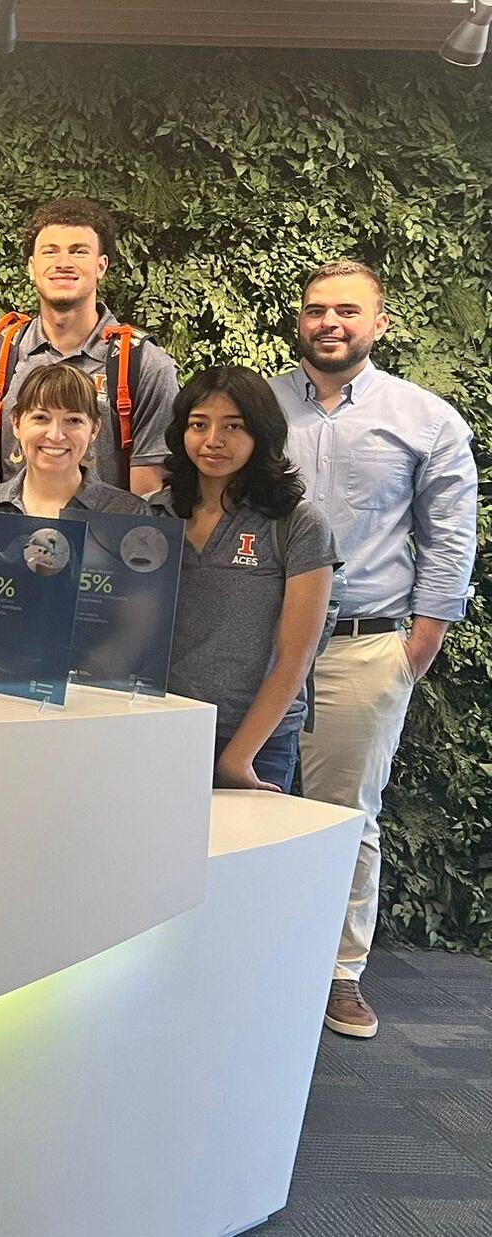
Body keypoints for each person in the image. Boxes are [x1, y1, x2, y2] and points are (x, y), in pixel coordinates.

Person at [269, 261, 477, 1040]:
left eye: (347, 311)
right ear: (300, 318)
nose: (330, 322)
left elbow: (451, 534)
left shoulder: (425, 418)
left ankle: (338, 972)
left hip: (363, 643)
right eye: (316, 308)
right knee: (247, 800)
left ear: (379, 321)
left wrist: (420, 640)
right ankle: (263, 957)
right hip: (260, 643)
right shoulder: (261, 406)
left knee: (345, 816)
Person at [152, 366, 336, 796]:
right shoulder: (154, 515)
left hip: (257, 743)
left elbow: (297, 655)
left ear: (261, 436)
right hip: (164, 734)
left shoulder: (296, 523)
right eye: (199, 424)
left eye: (233, 426)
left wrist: (238, 757)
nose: (214, 439)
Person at [0, 198, 178, 496]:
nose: (63, 263)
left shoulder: (142, 364)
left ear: (101, 266)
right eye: (50, 252)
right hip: (11, 536)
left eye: (79, 251)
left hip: (103, 538)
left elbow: (147, 494)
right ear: (32, 267)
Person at [0, 363, 153, 542]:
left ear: (94, 429)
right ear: (16, 423)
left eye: (73, 420)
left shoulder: (130, 515)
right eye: (41, 417)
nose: (56, 435)